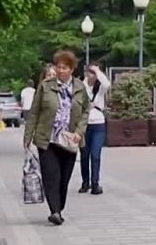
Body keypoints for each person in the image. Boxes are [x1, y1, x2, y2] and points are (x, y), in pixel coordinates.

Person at [23, 51, 90, 226]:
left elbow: (85, 112)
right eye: (58, 67)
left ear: (72, 69)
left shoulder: (79, 87)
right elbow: (34, 113)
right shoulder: (45, 86)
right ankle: (55, 211)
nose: (60, 71)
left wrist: (79, 131)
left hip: (69, 139)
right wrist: (28, 137)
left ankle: (59, 206)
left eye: (64, 68)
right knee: (51, 176)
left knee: (64, 178)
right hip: (48, 138)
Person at [79, 64, 111, 195]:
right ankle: (85, 182)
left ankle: (95, 183)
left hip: (98, 123)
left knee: (96, 154)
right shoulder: (81, 86)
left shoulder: (100, 88)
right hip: (84, 124)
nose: (92, 75)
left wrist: (98, 70)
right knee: (84, 155)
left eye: (94, 73)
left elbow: (107, 84)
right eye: (90, 73)